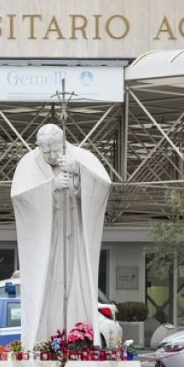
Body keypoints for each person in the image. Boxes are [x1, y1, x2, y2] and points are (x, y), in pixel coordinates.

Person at [11, 123, 111, 349]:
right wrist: (51, 187)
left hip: (75, 237)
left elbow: (103, 186)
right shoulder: (28, 163)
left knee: (76, 282)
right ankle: (44, 342)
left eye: (54, 150)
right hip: (48, 239)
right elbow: (20, 198)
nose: (49, 155)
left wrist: (78, 172)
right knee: (48, 284)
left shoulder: (82, 157)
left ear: (63, 144)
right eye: (44, 150)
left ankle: (78, 337)